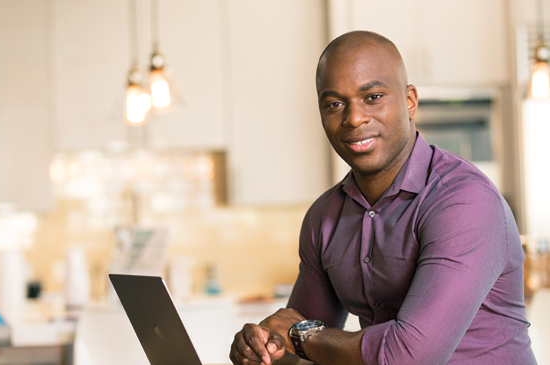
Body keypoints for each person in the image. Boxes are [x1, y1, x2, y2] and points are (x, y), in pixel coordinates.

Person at [229, 31, 537, 365]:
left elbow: (410, 356)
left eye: (373, 97)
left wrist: (301, 335)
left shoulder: (464, 201)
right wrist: (262, 349)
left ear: (410, 101)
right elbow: (300, 349)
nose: (354, 118)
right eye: (334, 104)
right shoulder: (324, 217)